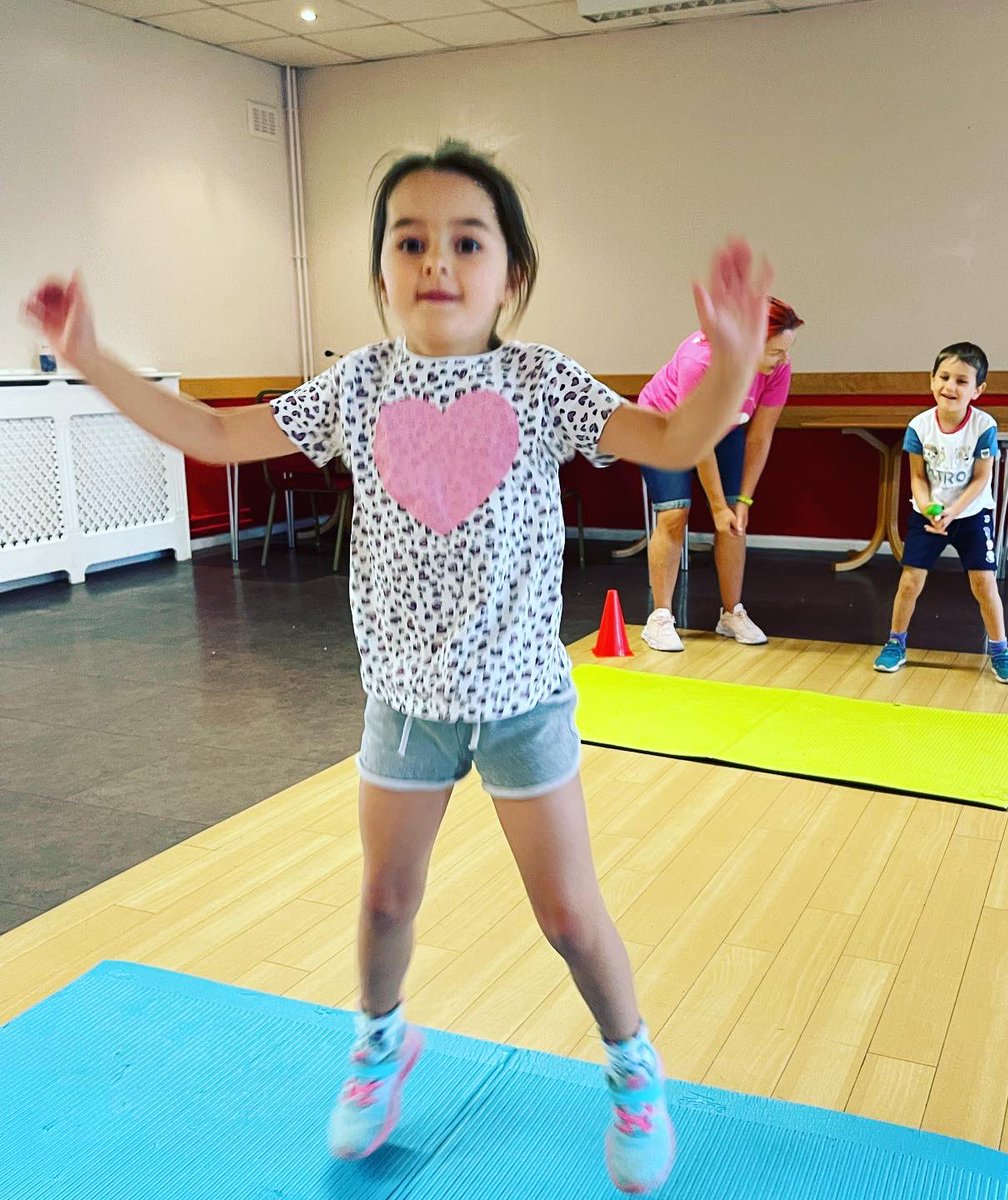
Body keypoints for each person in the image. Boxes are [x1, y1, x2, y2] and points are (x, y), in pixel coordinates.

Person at [23, 139, 773, 1195]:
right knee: (383, 904)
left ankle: (634, 1068)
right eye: (409, 240)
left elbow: (670, 433)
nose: (437, 261)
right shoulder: (358, 386)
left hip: (520, 699)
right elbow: (208, 429)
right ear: (381, 273)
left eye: (468, 241)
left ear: (511, 274)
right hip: (406, 705)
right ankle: (380, 1047)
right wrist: (95, 357)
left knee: (567, 917)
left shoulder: (539, 380)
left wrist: (733, 359)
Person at [637, 298, 803, 652]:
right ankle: (660, 618)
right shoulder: (701, 361)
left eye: (785, 351)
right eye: (775, 352)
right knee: (674, 514)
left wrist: (742, 500)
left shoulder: (777, 368)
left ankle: (731, 614)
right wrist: (716, 506)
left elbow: (760, 436)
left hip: (725, 429)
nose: (783, 360)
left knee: (735, 519)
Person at [873, 342, 1008, 684]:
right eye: (943, 377)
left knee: (984, 584)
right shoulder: (919, 426)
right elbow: (917, 476)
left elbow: (981, 478)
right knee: (910, 580)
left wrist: (954, 512)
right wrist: (929, 508)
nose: (950, 387)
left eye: (961, 381)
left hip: (971, 516)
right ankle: (895, 643)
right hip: (929, 517)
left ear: (978, 390)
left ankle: (1001, 650)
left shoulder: (984, 426)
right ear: (931, 380)